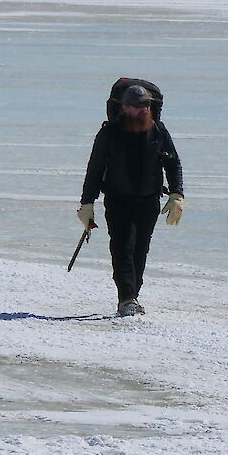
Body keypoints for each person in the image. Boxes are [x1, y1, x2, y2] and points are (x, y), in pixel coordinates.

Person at [78, 84, 183, 317]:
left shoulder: (158, 130)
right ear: (125, 108)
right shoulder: (109, 134)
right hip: (118, 200)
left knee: (140, 250)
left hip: (149, 200)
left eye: (146, 105)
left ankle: (132, 295)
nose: (143, 110)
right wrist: (87, 204)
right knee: (122, 247)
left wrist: (177, 194)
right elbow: (94, 169)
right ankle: (126, 298)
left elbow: (173, 163)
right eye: (138, 106)